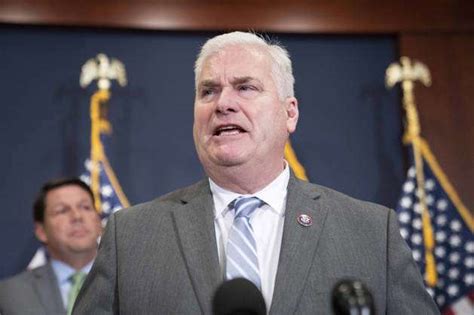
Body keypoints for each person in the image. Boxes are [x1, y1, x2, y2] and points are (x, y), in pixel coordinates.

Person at [74, 31, 439, 314]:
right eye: (208, 91)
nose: (223, 104)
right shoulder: (131, 238)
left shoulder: (371, 234)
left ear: (289, 113)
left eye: (246, 87)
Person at [0, 178, 102, 315]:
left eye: (85, 207)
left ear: (98, 221)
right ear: (41, 231)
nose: (77, 216)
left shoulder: (128, 282)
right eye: (62, 211)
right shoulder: (9, 294)